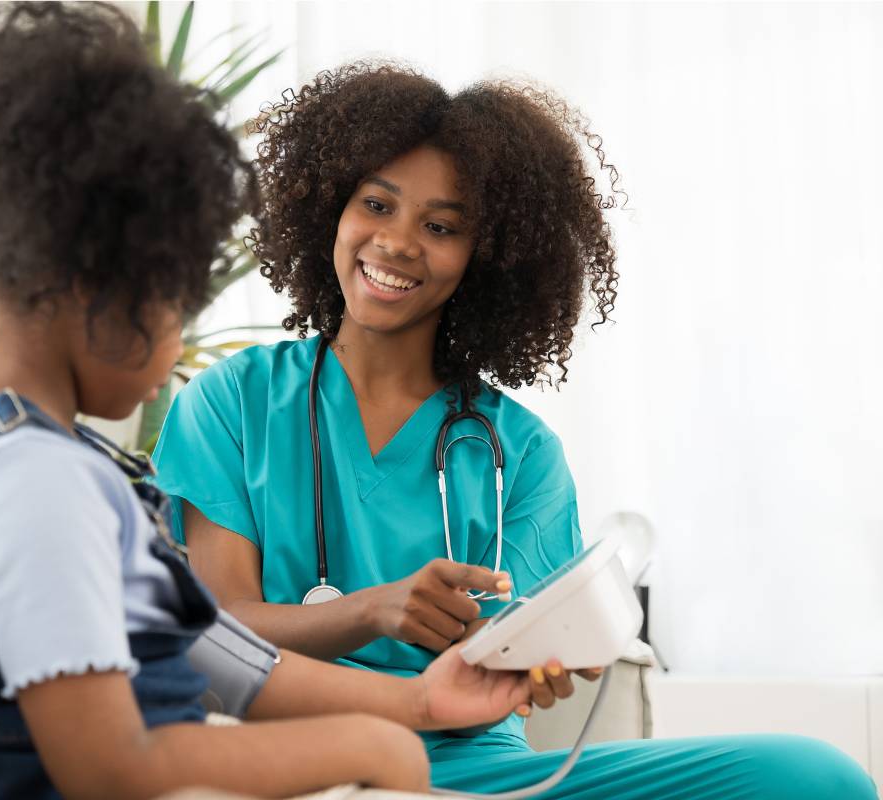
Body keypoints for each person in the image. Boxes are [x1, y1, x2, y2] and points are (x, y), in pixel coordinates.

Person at [0, 5, 585, 799]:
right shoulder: (31, 482)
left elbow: (210, 650)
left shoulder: (47, 465)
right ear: (101, 280)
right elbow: (111, 765)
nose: (179, 344)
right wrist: (379, 750)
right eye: (178, 298)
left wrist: (419, 701)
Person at [151, 63, 878, 798]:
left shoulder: (520, 454)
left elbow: (510, 651)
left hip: (478, 771)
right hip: (297, 754)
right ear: (330, 210)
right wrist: (375, 609)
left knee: (815, 777)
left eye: (441, 227)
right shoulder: (231, 404)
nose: (398, 243)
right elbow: (219, 628)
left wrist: (544, 655)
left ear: (487, 259)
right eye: (377, 204)